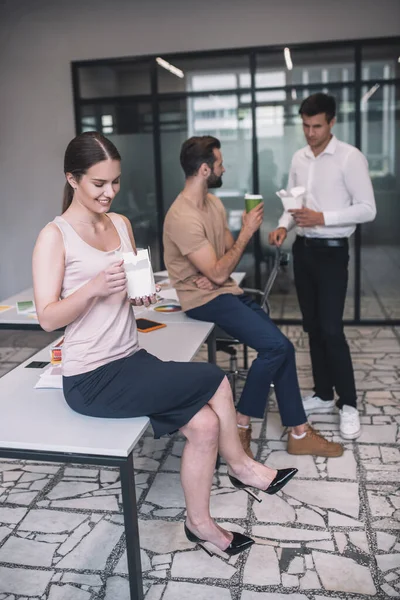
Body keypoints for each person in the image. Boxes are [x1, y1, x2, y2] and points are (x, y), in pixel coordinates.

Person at [32, 131, 297, 558]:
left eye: (115, 182)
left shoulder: (119, 224)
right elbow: (48, 317)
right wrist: (96, 287)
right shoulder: (54, 236)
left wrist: (140, 295)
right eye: (99, 184)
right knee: (215, 379)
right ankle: (242, 467)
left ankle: (200, 525)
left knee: (206, 425)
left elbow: (130, 290)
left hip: (130, 357)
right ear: (72, 178)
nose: (110, 192)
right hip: (91, 377)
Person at [163, 135, 344, 460]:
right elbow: (223, 264)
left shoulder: (213, 204)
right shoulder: (182, 216)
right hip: (203, 301)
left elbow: (222, 259)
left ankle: (298, 432)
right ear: (205, 170)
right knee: (275, 346)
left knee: (281, 347)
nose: (224, 168)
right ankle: (242, 424)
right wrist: (240, 240)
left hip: (223, 290)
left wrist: (214, 270)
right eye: (219, 164)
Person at [269, 93, 376, 440]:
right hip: (304, 250)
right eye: (305, 125)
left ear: (331, 122)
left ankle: (349, 404)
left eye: (316, 126)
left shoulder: (350, 158)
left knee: (332, 330)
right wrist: (285, 224)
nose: (310, 132)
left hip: (332, 252)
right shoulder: (300, 157)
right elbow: (294, 201)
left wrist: (323, 217)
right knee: (312, 328)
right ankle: (322, 393)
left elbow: (367, 209)